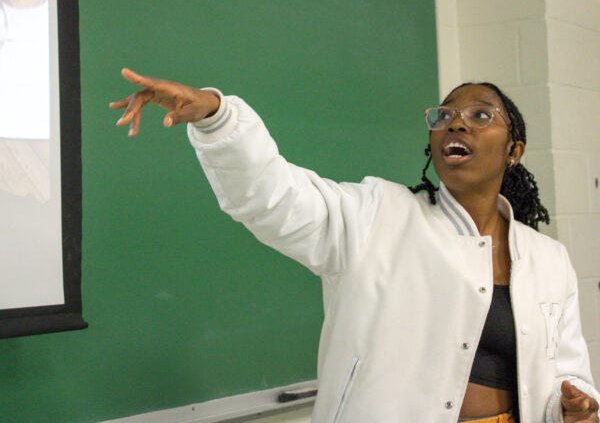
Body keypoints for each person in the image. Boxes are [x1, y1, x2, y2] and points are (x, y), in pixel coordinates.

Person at [111, 68, 600, 423]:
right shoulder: (374, 214)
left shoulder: (547, 259)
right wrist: (218, 119)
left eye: (479, 115)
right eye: (445, 115)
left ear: (514, 151)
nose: (457, 123)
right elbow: (272, 196)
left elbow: (566, 372)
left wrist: (573, 406)